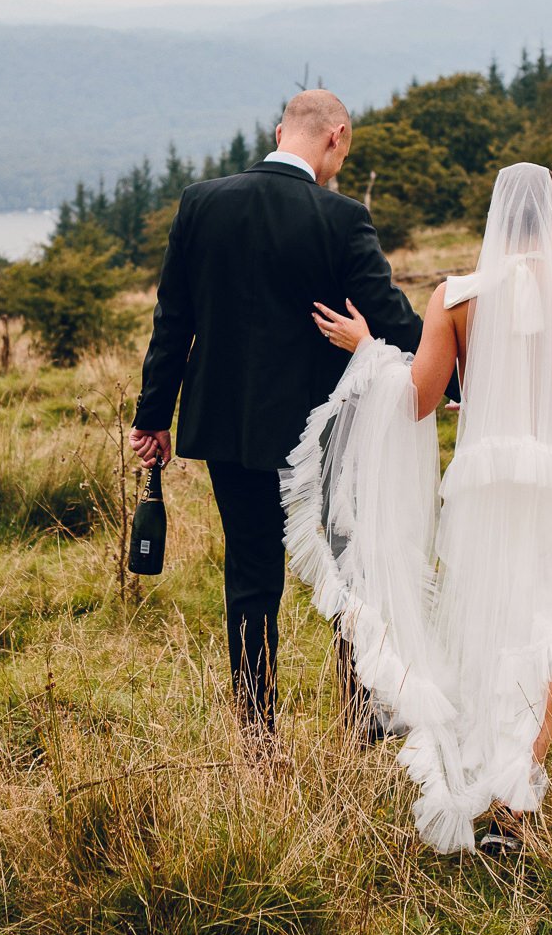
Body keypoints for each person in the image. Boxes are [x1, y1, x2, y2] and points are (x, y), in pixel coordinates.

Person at [291, 163, 552, 852]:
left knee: (481, 627)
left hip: (476, 489)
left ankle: (473, 775)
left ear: (496, 221)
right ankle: (512, 810)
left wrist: (367, 348)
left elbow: (417, 398)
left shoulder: (455, 299)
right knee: (542, 635)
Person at [130, 89, 424, 737]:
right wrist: (453, 362)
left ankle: (258, 736)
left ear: (277, 131)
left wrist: (153, 417)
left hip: (228, 430)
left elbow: (171, 323)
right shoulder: (341, 218)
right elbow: (394, 319)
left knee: (251, 578)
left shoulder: (200, 203)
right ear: (336, 136)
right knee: (349, 569)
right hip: (320, 437)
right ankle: (360, 716)